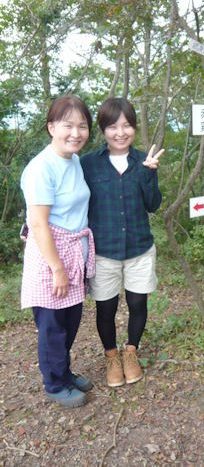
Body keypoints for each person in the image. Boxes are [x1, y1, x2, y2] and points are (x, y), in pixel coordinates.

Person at [80, 97, 164, 388]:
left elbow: (153, 205)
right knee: (106, 308)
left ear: (134, 128)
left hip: (139, 247)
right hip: (103, 251)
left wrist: (151, 173)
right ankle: (111, 356)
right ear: (103, 130)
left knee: (138, 302)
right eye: (113, 126)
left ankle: (131, 351)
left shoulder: (143, 162)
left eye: (127, 126)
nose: (120, 132)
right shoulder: (87, 164)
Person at [20, 95, 95, 408]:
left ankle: (63, 371)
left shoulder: (73, 159)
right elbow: (38, 225)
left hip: (73, 250)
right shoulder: (41, 168)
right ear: (51, 127)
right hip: (50, 257)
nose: (75, 133)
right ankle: (55, 383)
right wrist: (58, 268)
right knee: (52, 325)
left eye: (82, 126)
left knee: (70, 319)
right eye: (68, 125)